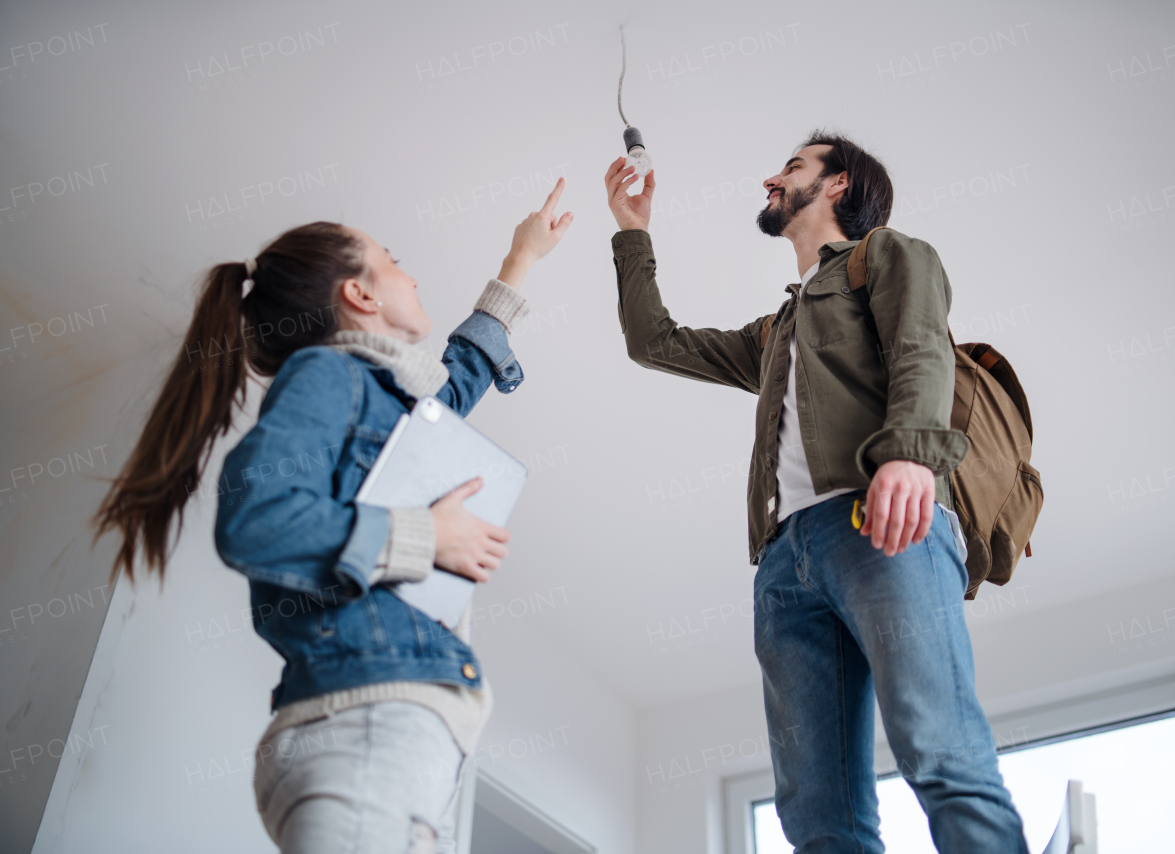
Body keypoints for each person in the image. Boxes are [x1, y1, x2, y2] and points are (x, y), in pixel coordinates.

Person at [94, 180, 573, 853]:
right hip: (366, 725)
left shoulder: (376, 396)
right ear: (361, 293)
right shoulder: (326, 375)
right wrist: (424, 535)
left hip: (387, 736)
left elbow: (452, 388)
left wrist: (520, 260)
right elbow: (258, 518)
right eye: (394, 258)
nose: (413, 274)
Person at [603, 134, 1029, 853]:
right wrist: (632, 232)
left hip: (881, 519)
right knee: (815, 816)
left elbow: (922, 348)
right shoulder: (777, 330)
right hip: (783, 564)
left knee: (938, 748)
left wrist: (911, 458)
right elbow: (656, 343)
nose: (772, 176)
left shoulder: (890, 255)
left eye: (794, 167)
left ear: (838, 186)